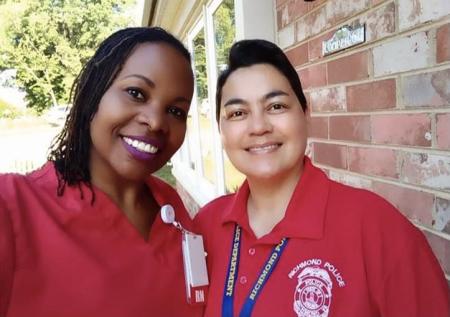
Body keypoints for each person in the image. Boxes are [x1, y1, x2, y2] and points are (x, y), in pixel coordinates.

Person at [194, 39, 450, 317]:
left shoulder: (378, 229)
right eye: (238, 113)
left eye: (276, 106)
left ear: (305, 114)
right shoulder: (204, 228)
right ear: (221, 130)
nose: (258, 127)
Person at [0, 27, 204, 317]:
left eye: (176, 111)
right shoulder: (13, 207)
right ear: (92, 94)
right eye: (136, 93)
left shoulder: (173, 210)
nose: (157, 121)